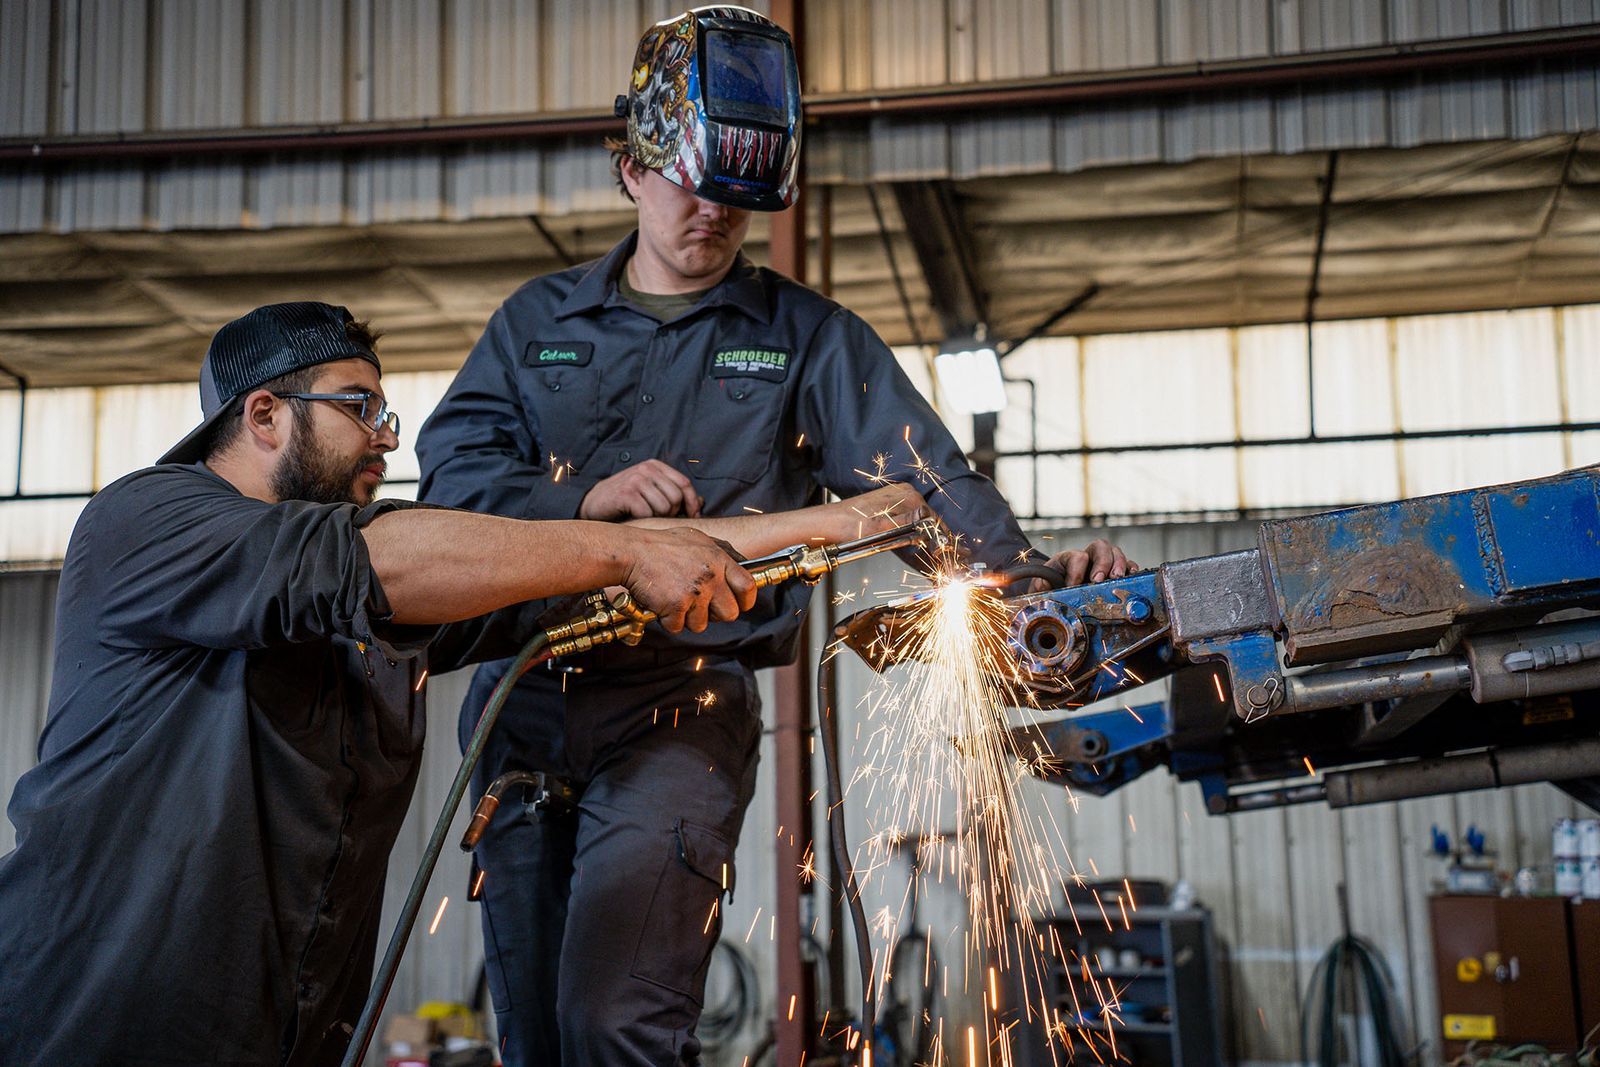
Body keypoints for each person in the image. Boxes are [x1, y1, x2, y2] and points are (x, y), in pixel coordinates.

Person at [415, 8, 1131, 1064]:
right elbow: (453, 484)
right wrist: (587, 502)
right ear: (630, 168)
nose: (713, 213)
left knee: (614, 1022)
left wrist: (1033, 592)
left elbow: (923, 484)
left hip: (679, 706)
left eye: (737, 197)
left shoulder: (809, 339)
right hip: (521, 704)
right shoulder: (534, 325)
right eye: (689, 186)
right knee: (534, 1037)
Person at [0, 301, 761, 1067]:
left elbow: (526, 577)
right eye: (359, 407)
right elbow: (376, 558)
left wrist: (814, 528)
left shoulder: (364, 603)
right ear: (265, 415)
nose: (388, 436)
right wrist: (624, 553)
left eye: (384, 412)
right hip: (90, 1025)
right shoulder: (145, 520)